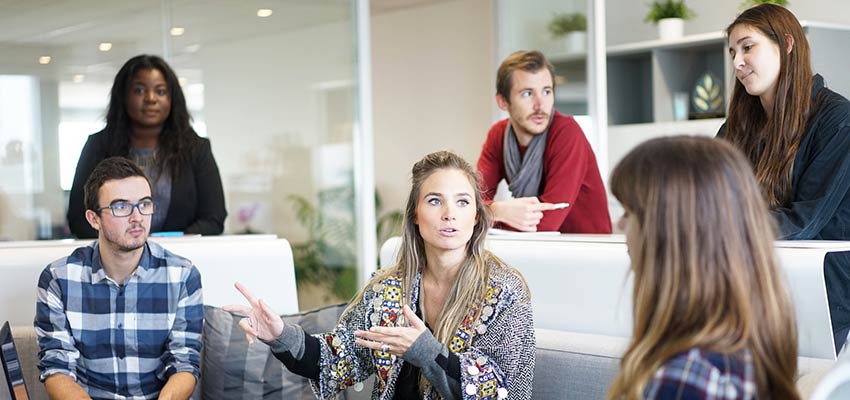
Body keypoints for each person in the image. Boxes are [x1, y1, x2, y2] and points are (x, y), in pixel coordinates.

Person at [224, 151, 535, 399]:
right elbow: (338, 359)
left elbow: (499, 391)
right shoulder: (387, 288)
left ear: (476, 215)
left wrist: (427, 352)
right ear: (415, 214)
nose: (449, 214)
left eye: (462, 202)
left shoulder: (504, 291)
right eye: (434, 200)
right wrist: (280, 335)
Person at [607, 136, 799, 400]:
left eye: (629, 213)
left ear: (669, 234)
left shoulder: (685, 379)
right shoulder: (741, 350)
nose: (620, 225)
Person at [719, 3, 850, 351]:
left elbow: (805, 220)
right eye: (732, 52)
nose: (737, 62)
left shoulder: (838, 120)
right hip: (753, 289)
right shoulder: (736, 128)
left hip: (824, 296)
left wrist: (720, 228)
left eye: (748, 47)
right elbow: (709, 199)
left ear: (787, 44)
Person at [36, 157, 203, 400]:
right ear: (94, 219)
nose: (137, 217)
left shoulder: (183, 276)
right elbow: (56, 368)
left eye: (144, 204)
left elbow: (184, 363)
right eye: (121, 207)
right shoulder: (58, 279)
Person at [67, 54, 226, 239]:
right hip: (115, 254)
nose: (151, 99)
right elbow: (79, 219)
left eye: (160, 91)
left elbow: (213, 219)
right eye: (139, 90)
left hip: (180, 253)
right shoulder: (99, 146)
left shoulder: (196, 149)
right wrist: (127, 243)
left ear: (172, 98)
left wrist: (167, 243)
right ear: (123, 95)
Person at [477, 50, 611, 233]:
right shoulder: (498, 135)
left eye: (546, 92)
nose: (540, 105)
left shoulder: (566, 132)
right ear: (503, 102)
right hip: (536, 245)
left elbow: (546, 223)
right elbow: (470, 203)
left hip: (586, 246)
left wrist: (489, 214)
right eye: (527, 94)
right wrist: (497, 210)